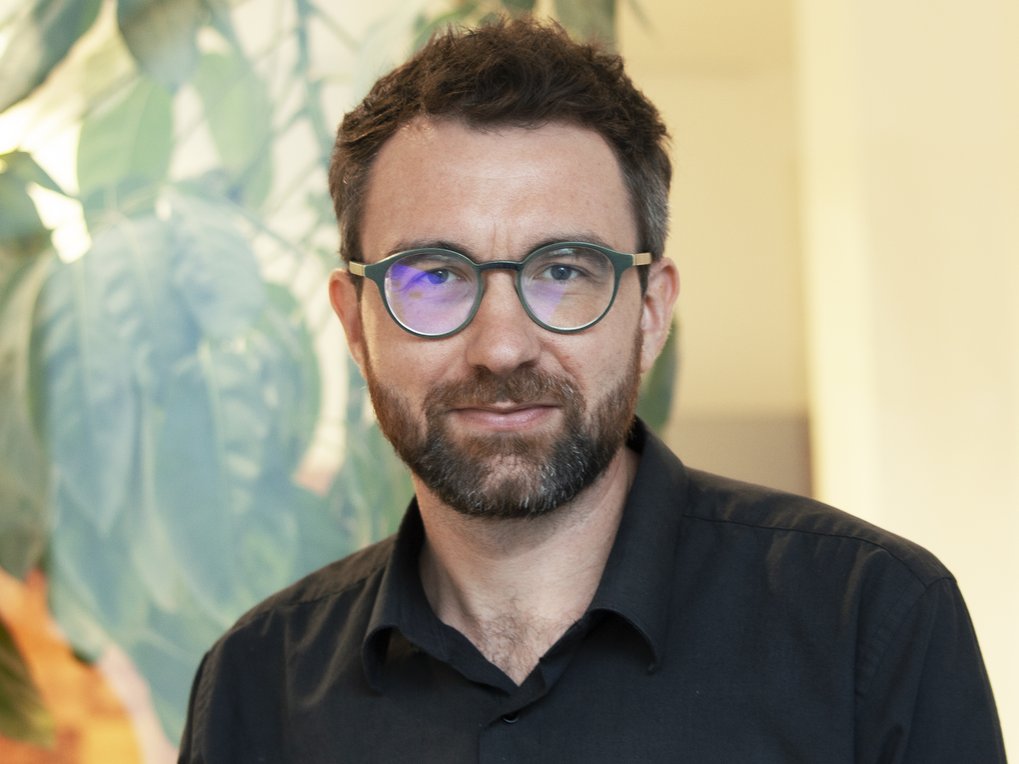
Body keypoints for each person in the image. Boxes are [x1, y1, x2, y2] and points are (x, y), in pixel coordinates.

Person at [178, 18, 1005, 763]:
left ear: (651, 311)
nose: (500, 345)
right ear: (356, 326)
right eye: (432, 275)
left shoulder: (872, 623)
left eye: (563, 271)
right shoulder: (258, 688)